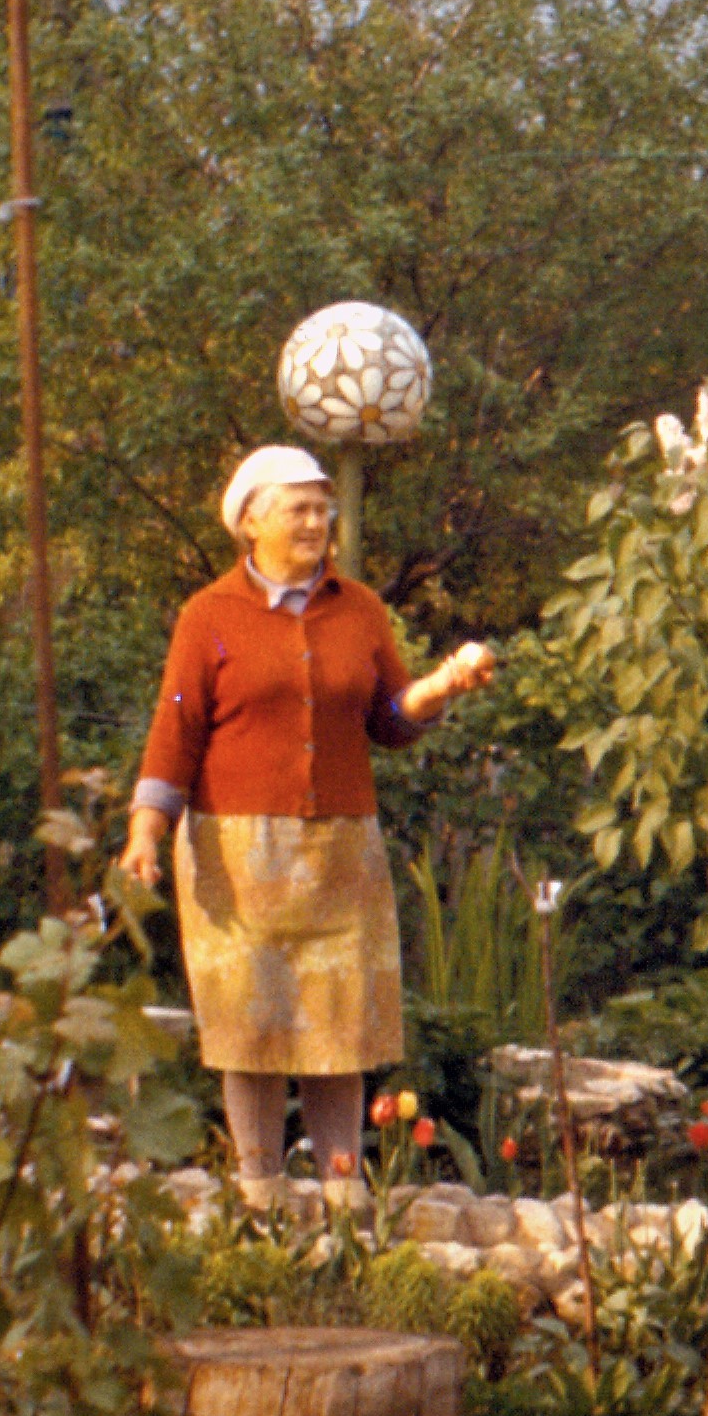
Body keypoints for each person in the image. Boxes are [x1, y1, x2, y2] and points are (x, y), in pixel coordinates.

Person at [118, 444, 494, 1195]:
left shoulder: (357, 608)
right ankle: (257, 1192)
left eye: (324, 508)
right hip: (235, 853)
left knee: (340, 1026)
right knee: (247, 1031)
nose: (318, 522)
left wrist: (440, 686)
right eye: (300, 508)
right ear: (250, 520)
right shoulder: (208, 616)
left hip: (339, 853)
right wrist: (145, 831)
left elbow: (389, 718)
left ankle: (343, 1195)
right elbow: (175, 730)